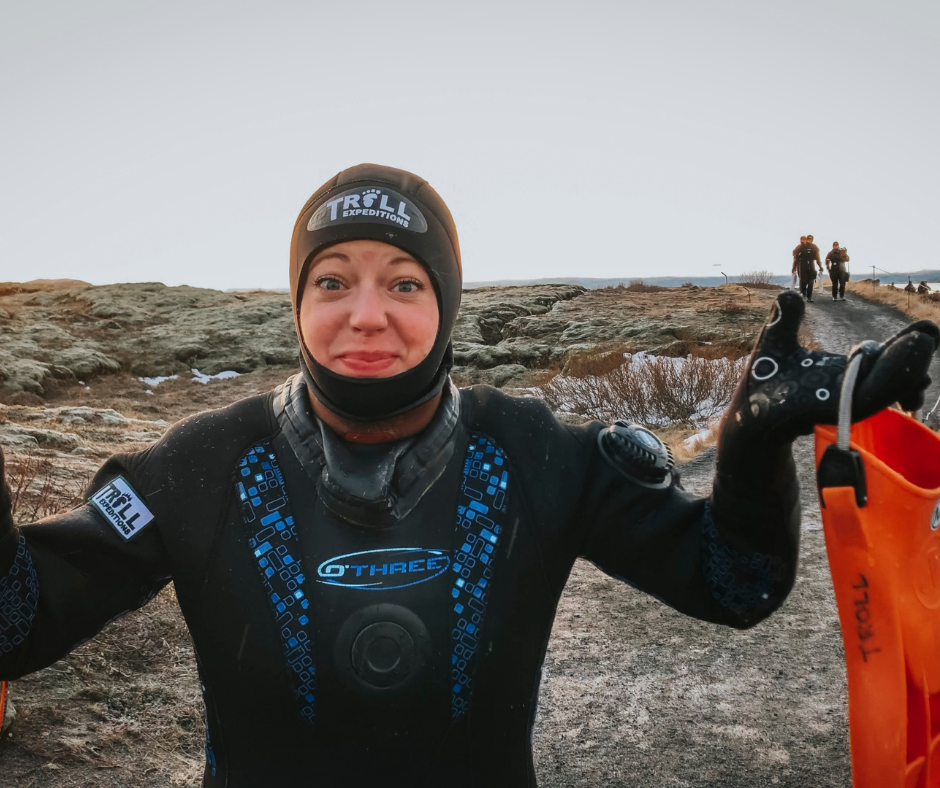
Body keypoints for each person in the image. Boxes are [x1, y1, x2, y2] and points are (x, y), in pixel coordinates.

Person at [0, 164, 937, 787]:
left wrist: (752, 444)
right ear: (297, 302)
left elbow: (733, 584)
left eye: (404, 282)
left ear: (447, 302)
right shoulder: (199, 467)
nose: (367, 314)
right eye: (332, 280)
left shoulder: (536, 453)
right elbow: (17, 623)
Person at [796, 234, 823, 301]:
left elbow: (818, 258)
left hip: (811, 265)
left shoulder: (814, 247)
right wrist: (796, 266)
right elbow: (796, 256)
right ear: (807, 239)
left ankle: (809, 297)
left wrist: (820, 266)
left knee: (811, 282)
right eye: (808, 239)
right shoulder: (801, 247)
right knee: (803, 281)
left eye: (811, 239)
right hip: (803, 265)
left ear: (812, 240)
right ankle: (803, 293)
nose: (809, 240)